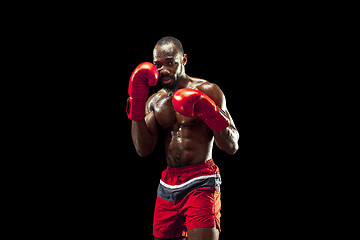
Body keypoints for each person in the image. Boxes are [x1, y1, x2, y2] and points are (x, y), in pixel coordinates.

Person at [126, 36, 239, 240]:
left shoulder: (208, 91)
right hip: (169, 183)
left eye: (171, 62)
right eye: (158, 65)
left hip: (202, 180)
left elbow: (232, 146)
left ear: (184, 60)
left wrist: (210, 112)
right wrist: (136, 105)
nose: (165, 70)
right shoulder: (154, 101)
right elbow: (143, 150)